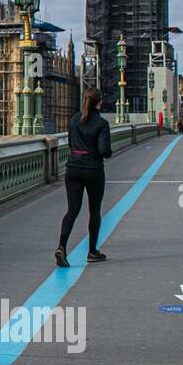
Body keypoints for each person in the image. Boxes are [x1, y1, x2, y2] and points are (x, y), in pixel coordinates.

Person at [54, 88, 112, 267]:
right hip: (93, 170)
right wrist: (107, 151)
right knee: (94, 211)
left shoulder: (73, 120)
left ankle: (62, 247)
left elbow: (71, 144)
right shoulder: (101, 123)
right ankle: (92, 252)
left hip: (73, 168)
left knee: (72, 210)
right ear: (99, 103)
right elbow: (104, 150)